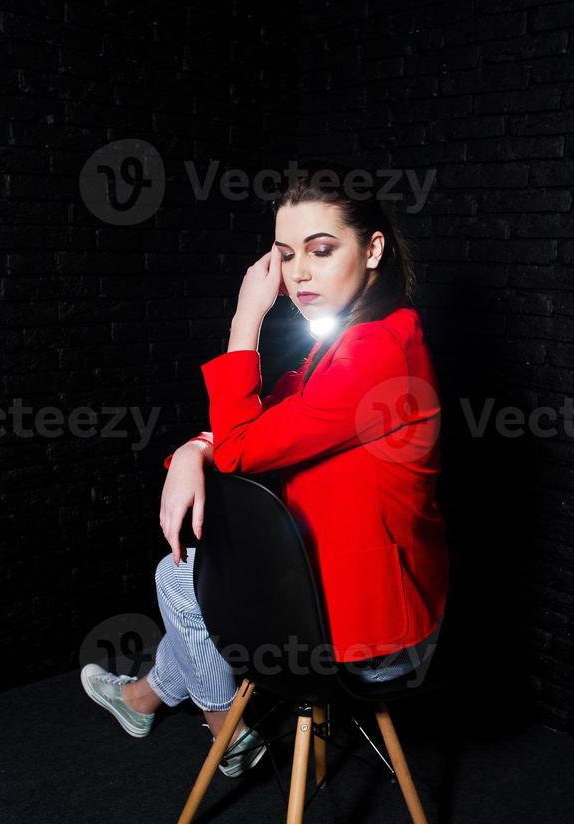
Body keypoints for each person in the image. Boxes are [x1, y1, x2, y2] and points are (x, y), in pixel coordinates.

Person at [81, 161, 449, 777]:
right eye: (285, 255)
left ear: (374, 247)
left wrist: (245, 318)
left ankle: (224, 727)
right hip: (341, 592)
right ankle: (142, 699)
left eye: (321, 249)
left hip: (378, 643)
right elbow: (256, 426)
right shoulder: (350, 342)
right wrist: (194, 452)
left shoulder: (377, 355)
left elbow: (243, 445)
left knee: (178, 580)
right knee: (204, 580)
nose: (298, 273)